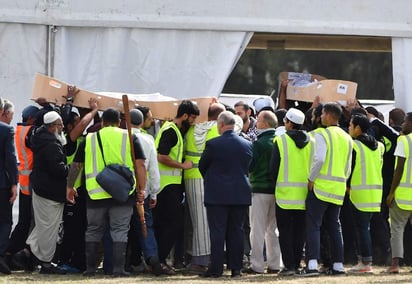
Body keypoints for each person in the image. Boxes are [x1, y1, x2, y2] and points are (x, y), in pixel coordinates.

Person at [66, 107, 147, 277]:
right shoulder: (130, 137)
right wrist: (142, 188)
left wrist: (70, 186)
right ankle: (118, 269)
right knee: (120, 230)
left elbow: (76, 165)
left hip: (95, 194)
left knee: (93, 229)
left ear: (102, 122)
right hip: (123, 194)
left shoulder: (89, 138)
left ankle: (90, 269)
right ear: (119, 122)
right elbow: (140, 165)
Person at [13, 111, 68, 274]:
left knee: (43, 227)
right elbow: (58, 169)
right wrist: (70, 169)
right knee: (48, 229)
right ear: (52, 127)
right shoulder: (51, 144)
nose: (62, 127)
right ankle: (45, 263)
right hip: (49, 191)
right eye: (60, 125)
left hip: (42, 189)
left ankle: (27, 253)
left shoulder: (42, 139)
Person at [199, 111, 253, 278]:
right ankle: (236, 268)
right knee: (236, 231)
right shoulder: (247, 144)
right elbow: (250, 166)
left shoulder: (213, 144)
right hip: (240, 193)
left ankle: (216, 268)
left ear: (221, 124)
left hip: (217, 194)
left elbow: (202, 166)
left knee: (217, 231)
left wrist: (211, 180)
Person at [302, 103, 353, 276]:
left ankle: (312, 264)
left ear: (330, 116)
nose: (321, 116)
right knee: (334, 227)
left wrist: (311, 178)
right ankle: (338, 265)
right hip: (338, 188)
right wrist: (343, 181)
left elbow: (320, 159)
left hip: (321, 187)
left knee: (314, 226)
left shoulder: (323, 134)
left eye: (323, 113)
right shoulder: (347, 137)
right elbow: (348, 167)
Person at [153, 100, 199, 273]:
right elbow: (161, 156)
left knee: (165, 224)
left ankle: (158, 260)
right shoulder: (171, 131)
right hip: (167, 186)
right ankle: (160, 260)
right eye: (192, 117)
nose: (193, 121)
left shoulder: (174, 129)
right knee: (175, 223)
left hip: (168, 186)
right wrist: (182, 166)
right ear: (185, 115)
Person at [183, 102, 225, 275]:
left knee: (197, 220)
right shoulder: (217, 129)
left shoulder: (192, 129)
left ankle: (197, 259)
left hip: (191, 176)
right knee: (210, 221)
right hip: (210, 177)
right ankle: (206, 259)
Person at [271, 108, 313, 276]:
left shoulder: (280, 141)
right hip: (304, 195)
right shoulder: (312, 141)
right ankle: (296, 263)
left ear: (288, 122)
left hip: (284, 194)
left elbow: (273, 169)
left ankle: (289, 266)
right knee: (299, 233)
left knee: (285, 232)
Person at [347, 114, 384, 273]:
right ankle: (366, 261)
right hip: (375, 194)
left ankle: (365, 263)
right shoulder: (379, 146)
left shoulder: (354, 146)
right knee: (366, 228)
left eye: (350, 125)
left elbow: (349, 169)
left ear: (358, 128)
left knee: (362, 229)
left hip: (358, 194)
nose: (349, 128)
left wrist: (347, 187)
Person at [128, 108, 162, 276]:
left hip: (123, 189)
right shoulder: (148, 140)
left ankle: (124, 262)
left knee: (121, 226)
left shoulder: (121, 137)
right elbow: (153, 169)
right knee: (145, 225)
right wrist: (154, 192)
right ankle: (152, 256)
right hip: (144, 189)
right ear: (141, 123)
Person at [246, 110, 281, 275]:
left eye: (258, 121)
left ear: (265, 124)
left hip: (259, 189)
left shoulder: (258, 143)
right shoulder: (280, 140)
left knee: (257, 229)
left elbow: (250, 166)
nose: (256, 123)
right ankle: (275, 264)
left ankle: (257, 265)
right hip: (277, 190)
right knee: (273, 229)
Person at [6, 105, 39, 260]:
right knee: (28, 222)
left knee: (24, 221)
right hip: (31, 181)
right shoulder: (30, 132)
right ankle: (12, 251)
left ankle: (11, 251)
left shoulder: (20, 130)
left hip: (24, 181)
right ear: (32, 119)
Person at [386, 112, 412, 273]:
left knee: (396, 228)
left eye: (405, 122)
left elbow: (399, 168)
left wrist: (391, 192)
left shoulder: (404, 141)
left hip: (403, 194)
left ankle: (395, 264)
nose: (402, 125)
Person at [0, 98, 18, 275]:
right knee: (5, 221)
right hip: (2, 185)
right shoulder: (5, 129)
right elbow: (11, 159)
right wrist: (14, 183)